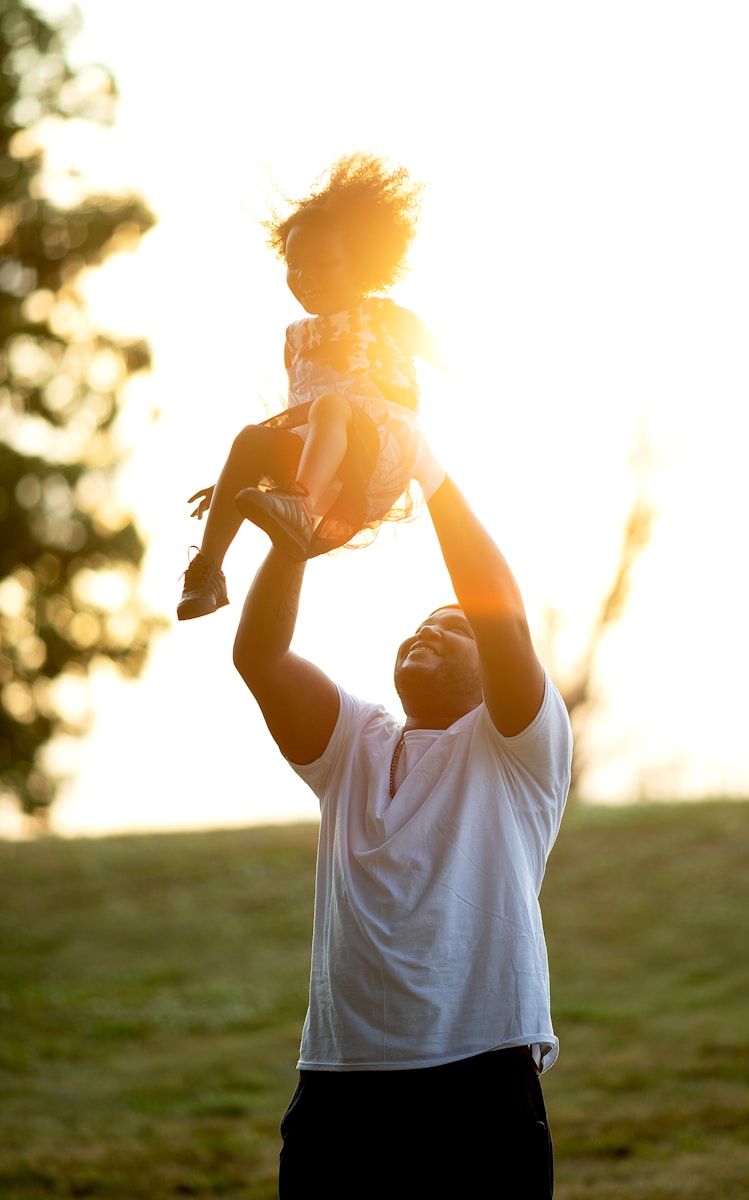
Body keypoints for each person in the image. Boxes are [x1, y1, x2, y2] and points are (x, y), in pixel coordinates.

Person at [232, 456, 573, 1199]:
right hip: (339, 1085)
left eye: (455, 630)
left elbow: (500, 613)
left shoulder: (518, 748)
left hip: (478, 1080)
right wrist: (292, 542)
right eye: (420, 625)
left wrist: (425, 469)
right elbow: (259, 655)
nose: (429, 632)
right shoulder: (355, 741)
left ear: (500, 666)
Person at [177, 152, 444, 621]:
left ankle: (302, 505)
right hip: (323, 448)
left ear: (362, 265)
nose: (305, 277)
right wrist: (234, 476)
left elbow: (442, 356)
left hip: (379, 450)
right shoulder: (295, 337)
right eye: (295, 264)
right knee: (250, 438)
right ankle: (208, 573)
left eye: (323, 264)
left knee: (331, 406)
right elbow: (298, 417)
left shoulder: (385, 317)